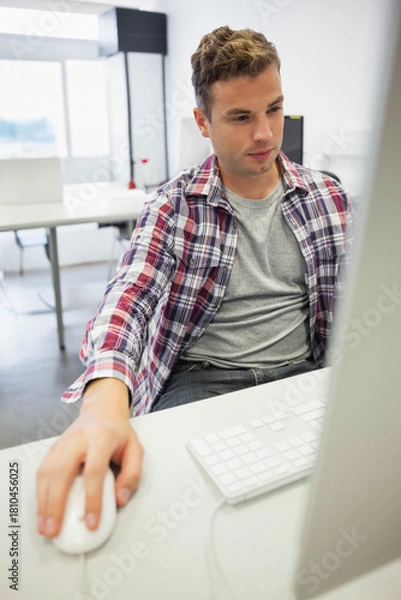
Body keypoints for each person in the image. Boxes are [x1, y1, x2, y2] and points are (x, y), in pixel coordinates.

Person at [37, 26, 354, 539]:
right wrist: (103, 402)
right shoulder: (174, 205)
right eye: (241, 117)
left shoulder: (326, 196)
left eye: (274, 109)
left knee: (325, 508)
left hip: (303, 374)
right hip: (204, 381)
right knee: (164, 517)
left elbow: (358, 305)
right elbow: (127, 301)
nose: (265, 135)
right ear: (203, 122)